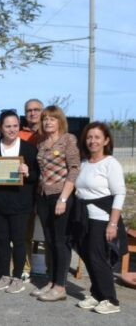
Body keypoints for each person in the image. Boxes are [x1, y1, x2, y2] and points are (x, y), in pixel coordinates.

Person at [0, 110, 39, 294]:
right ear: (1, 128)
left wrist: (28, 172)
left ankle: (17, 277)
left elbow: (37, 177)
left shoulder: (29, 149)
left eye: (15, 126)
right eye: (8, 126)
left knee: (19, 241)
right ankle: (4, 275)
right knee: (2, 241)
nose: (12, 129)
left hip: (21, 204)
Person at [74, 122, 126, 314]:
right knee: (87, 256)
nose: (92, 141)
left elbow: (119, 194)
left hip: (102, 218)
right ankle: (97, 294)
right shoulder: (84, 162)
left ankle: (111, 300)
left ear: (106, 140)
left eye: (97, 137)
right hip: (84, 218)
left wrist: (113, 223)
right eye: (89, 137)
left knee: (98, 258)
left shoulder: (111, 163)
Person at [32, 105, 80, 302]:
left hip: (61, 195)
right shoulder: (41, 143)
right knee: (49, 241)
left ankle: (61, 286)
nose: (47, 122)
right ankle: (51, 281)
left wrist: (63, 198)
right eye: (45, 119)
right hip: (43, 196)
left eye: (52, 118)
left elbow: (74, 169)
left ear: (60, 121)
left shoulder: (68, 140)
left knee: (60, 242)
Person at [19, 98, 45, 283]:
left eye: (36, 110)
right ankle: (26, 267)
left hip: (47, 190)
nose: (33, 113)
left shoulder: (51, 133)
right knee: (25, 232)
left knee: (47, 233)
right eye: (29, 110)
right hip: (25, 190)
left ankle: (47, 267)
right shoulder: (19, 134)